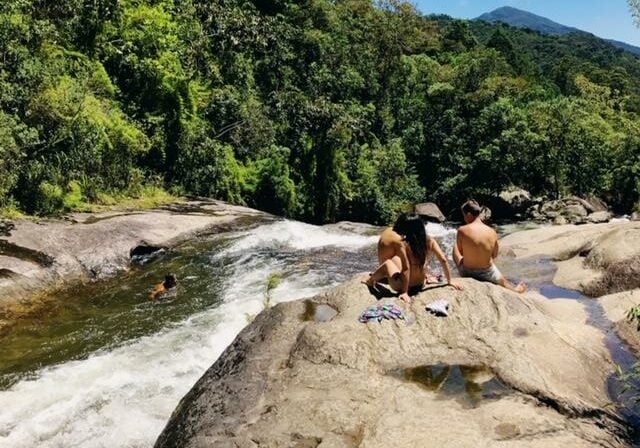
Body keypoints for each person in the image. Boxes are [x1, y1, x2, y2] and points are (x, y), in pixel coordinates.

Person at [365, 213, 463, 303]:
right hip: (420, 284)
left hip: (403, 286)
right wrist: (450, 281)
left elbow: (406, 268)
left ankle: (370, 281)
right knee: (404, 260)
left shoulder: (403, 244)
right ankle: (425, 277)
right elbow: (443, 259)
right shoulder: (430, 240)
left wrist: (404, 292)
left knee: (388, 262)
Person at [453, 200, 526, 293]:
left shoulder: (462, 230)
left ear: (468, 214)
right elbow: (495, 255)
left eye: (464, 216)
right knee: (503, 281)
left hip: (466, 271)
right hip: (487, 273)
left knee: (455, 246)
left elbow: (460, 251)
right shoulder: (492, 232)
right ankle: (515, 290)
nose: (464, 219)